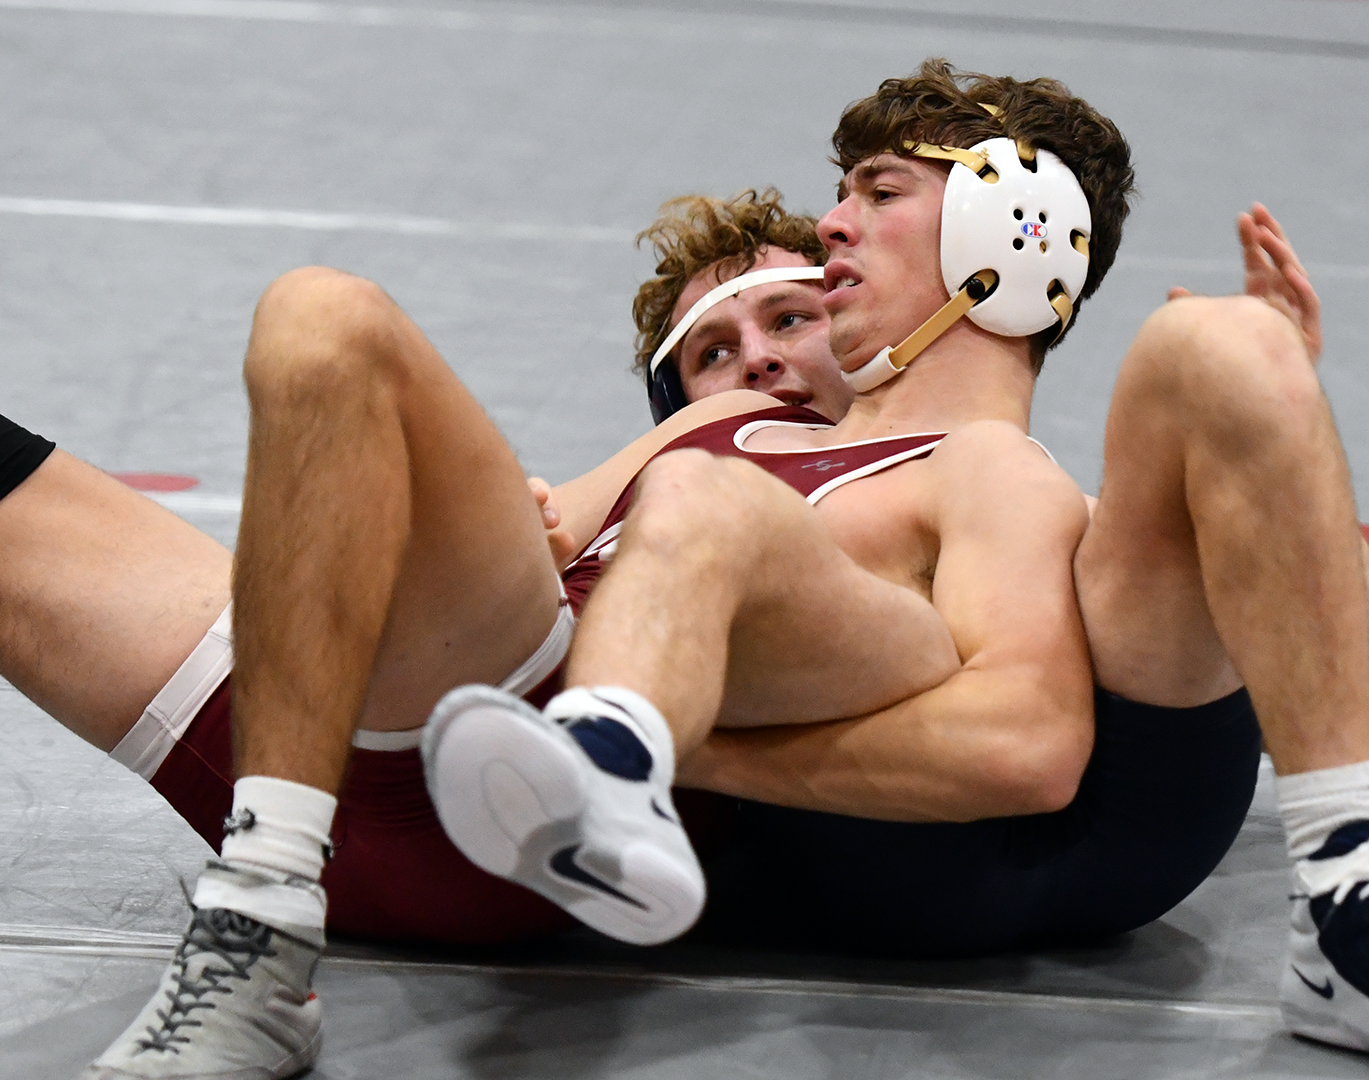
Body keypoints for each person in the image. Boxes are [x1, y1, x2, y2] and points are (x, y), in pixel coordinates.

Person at [425, 61, 1369, 1080]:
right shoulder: (728, 441)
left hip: (1083, 821)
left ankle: (1356, 906)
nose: (831, 225)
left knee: (1216, 346)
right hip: (847, 843)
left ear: (1006, 229)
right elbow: (529, 544)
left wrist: (1281, 423)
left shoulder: (1054, 512)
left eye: (878, 193)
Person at [0, 191, 854, 1080]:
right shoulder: (697, 440)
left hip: (515, 795)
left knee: (324, 317)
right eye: (714, 352)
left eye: (790, 319)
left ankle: (257, 922)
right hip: (318, 751)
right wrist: (528, 527)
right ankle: (270, 885)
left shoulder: (934, 469)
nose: (757, 359)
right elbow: (552, 521)